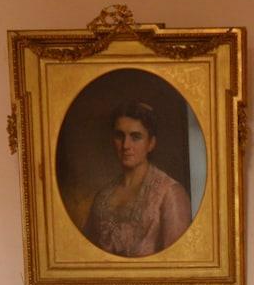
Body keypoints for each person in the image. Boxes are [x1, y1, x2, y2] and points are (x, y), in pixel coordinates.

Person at [80, 100, 193, 257]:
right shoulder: (103, 196)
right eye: (119, 136)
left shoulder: (170, 193)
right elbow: (86, 254)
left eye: (136, 137)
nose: (125, 145)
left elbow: (179, 260)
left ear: (151, 143)